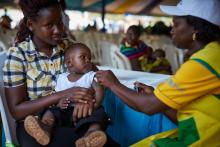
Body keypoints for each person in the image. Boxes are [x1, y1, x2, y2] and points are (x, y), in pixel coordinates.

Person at [96, 0, 220, 146]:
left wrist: (113, 84)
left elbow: (148, 107)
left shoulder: (201, 64)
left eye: (176, 25)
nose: (171, 31)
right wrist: (160, 97)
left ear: (195, 29)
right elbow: (192, 117)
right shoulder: (213, 54)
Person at [3, 0, 118, 147]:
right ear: (31, 25)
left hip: (74, 118)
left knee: (102, 139)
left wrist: (89, 101)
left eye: (60, 23)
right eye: (49, 25)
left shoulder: (69, 48)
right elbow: (17, 111)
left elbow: (93, 76)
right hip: (35, 127)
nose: (58, 30)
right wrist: (62, 94)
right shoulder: (19, 55)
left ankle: (90, 134)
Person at [24, 43, 107, 146]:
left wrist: (94, 106)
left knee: (99, 113)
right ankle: (45, 128)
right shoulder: (62, 78)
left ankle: (91, 136)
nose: (88, 60)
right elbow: (58, 95)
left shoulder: (90, 76)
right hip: (65, 112)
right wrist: (60, 103)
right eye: (83, 57)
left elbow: (99, 90)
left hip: (85, 112)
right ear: (69, 63)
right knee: (51, 111)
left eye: (89, 58)